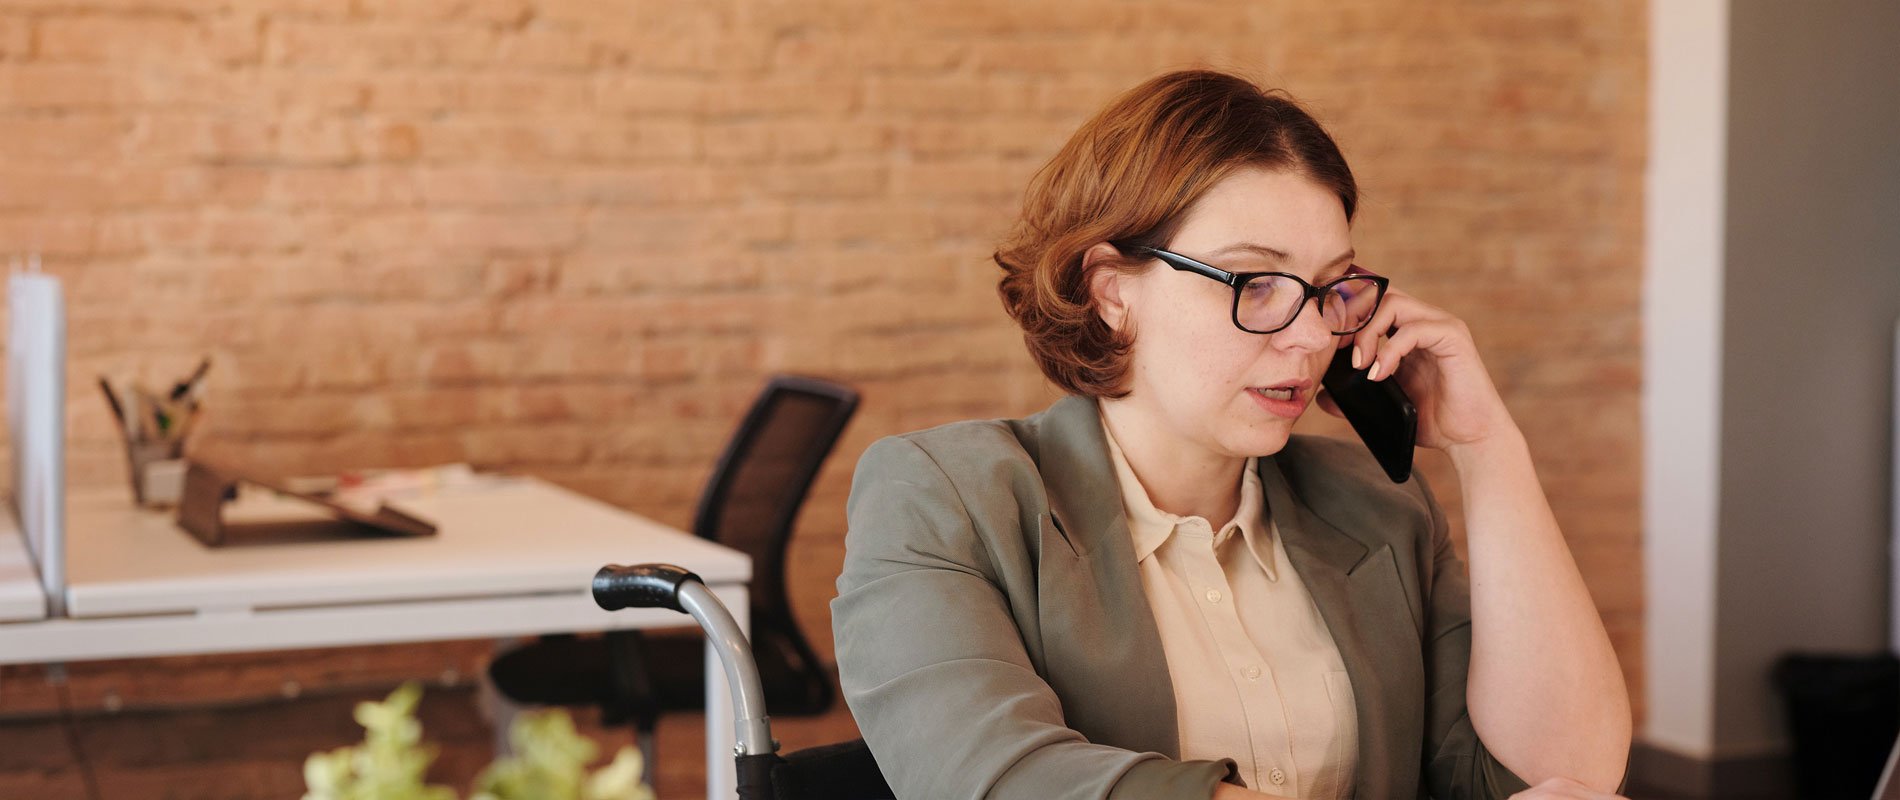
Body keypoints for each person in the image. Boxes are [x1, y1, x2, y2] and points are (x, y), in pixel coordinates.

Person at [830, 69, 1632, 800]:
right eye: (1256, 282)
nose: (1312, 336)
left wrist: (1486, 447)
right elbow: (991, 777)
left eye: (1329, 289)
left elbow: (1562, 776)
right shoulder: (941, 495)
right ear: (1112, 291)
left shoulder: (1380, 511)